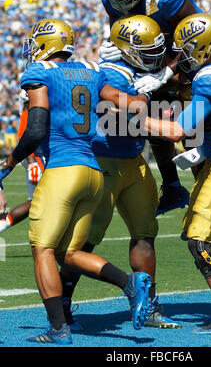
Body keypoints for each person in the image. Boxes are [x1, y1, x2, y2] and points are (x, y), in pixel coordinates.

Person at [0, 18, 151, 345]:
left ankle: (58, 329)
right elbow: (132, 104)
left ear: (45, 44)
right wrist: (144, 95)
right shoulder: (92, 71)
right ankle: (130, 283)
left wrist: (9, 162)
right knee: (68, 253)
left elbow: (36, 129)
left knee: (42, 250)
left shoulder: (39, 72)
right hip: (93, 173)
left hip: (63, 172)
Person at [59, 14, 181, 330]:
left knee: (144, 232)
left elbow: (176, 66)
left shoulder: (139, 69)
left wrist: (164, 73)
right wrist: (149, 99)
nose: (154, 57)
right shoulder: (113, 71)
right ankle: (63, 303)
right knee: (85, 240)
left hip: (133, 159)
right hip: (104, 158)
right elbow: (127, 112)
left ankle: (149, 304)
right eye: (147, 51)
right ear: (127, 49)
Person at [134, 13, 211, 334]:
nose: (181, 56)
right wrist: (165, 78)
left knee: (200, 241)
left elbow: (178, 131)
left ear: (202, 48)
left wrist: (137, 119)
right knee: (196, 232)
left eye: (186, 49)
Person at [99, 0, 202, 214]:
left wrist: (167, 72)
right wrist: (112, 45)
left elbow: (196, 37)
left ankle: (203, 187)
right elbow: (119, 29)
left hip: (185, 55)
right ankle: (172, 187)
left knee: (191, 126)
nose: (120, 3)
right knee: (154, 115)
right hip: (149, 57)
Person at [0, 90, 45, 234]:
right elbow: (26, 129)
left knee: (34, 202)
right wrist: (32, 160)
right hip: (36, 154)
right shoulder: (35, 87)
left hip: (34, 152)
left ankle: (2, 224)